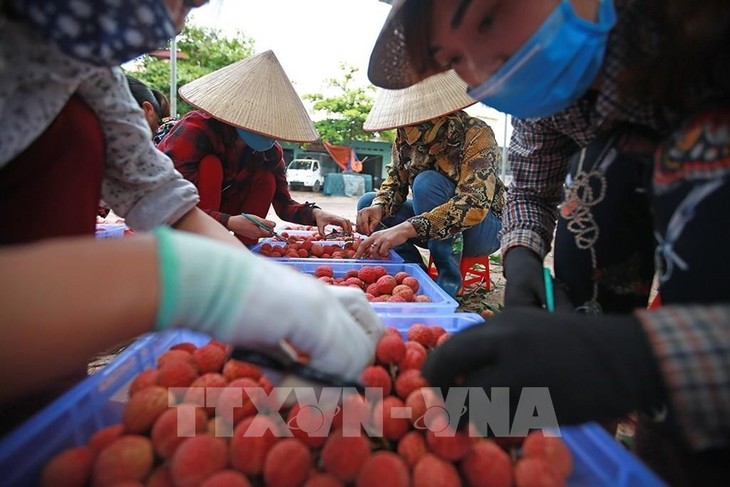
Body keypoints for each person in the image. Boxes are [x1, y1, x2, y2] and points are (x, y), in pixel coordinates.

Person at [368, 0, 729, 483]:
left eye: (489, 18)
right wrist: (520, 264)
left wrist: (633, 358)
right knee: (597, 181)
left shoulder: (709, 53)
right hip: (610, 213)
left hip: (473, 224)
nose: (483, 71)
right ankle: (603, 426)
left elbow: (479, 201)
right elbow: (530, 191)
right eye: (453, 59)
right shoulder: (546, 101)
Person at [0, 0, 382, 431]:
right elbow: (170, 216)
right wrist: (193, 273)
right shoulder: (197, 131)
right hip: (40, 314)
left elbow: (160, 197)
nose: (177, 22)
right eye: (181, 2)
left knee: (40, 435)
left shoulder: (89, 74)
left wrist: (258, 278)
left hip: (56, 337)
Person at [158, 51, 354, 245]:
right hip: (176, 220)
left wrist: (316, 213)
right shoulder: (196, 131)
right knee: (211, 166)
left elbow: (284, 205)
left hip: (225, 217)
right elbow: (168, 200)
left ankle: (244, 246)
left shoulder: (270, 152)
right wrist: (229, 222)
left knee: (267, 179)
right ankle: (203, 244)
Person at [353, 70, 505, 297]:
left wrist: (408, 228)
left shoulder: (476, 134)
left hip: (482, 228)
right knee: (368, 203)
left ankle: (449, 282)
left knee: (427, 183)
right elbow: (395, 183)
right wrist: (379, 206)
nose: (407, 130)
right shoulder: (405, 138)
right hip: (430, 224)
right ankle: (415, 275)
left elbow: (474, 203)